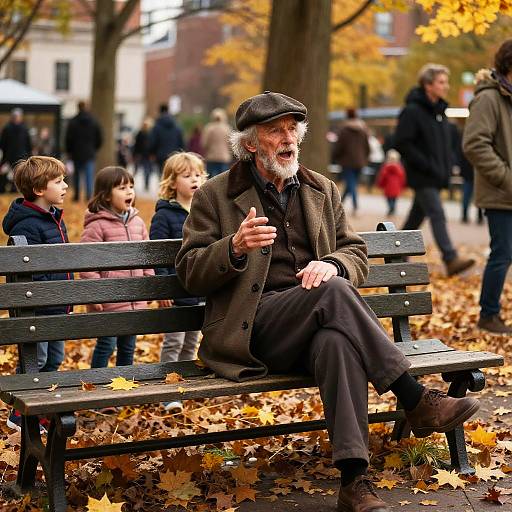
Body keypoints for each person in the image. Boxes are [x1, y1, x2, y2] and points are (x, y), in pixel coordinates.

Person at [176, 91, 480, 512]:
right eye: (274, 131)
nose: (288, 139)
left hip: (314, 322)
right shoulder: (215, 194)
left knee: (337, 341)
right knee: (332, 293)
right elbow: (189, 271)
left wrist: (334, 265)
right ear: (250, 144)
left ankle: (354, 483)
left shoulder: (321, 189)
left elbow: (354, 252)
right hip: (254, 329)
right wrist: (234, 247)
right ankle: (413, 398)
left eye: (292, 130)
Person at [2, 156, 72, 430]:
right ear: (40, 189)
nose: (65, 186)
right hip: (36, 309)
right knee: (37, 359)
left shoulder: (54, 218)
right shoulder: (27, 225)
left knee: (54, 358)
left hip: (57, 305)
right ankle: (20, 412)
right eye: (59, 181)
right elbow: (28, 273)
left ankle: (41, 405)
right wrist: (52, 292)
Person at [394, 64, 475, 277]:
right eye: (441, 82)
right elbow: (402, 142)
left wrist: (448, 166)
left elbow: (445, 146)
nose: (446, 86)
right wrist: (426, 165)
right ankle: (450, 258)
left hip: (436, 175)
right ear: (427, 85)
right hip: (422, 175)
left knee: (415, 218)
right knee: (437, 213)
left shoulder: (439, 113)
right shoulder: (412, 111)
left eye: (445, 82)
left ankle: (397, 252)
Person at [79, 166, 154, 367]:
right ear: (105, 196)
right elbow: (87, 265)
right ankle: (96, 383)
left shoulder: (138, 223)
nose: (129, 191)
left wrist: (149, 285)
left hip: (134, 298)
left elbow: (148, 256)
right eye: (122, 188)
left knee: (128, 346)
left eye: (131, 186)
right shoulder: (97, 225)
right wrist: (97, 294)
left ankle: (124, 383)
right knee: (107, 344)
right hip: (109, 301)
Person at [149, 152, 207, 412]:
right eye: (187, 176)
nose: (194, 179)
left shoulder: (204, 209)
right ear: (173, 182)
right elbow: (156, 255)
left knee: (192, 341)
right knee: (174, 341)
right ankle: (168, 391)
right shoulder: (165, 215)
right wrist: (162, 286)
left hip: (199, 288)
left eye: (197, 174)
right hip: (176, 289)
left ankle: (183, 386)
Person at [463, 40, 512, 334]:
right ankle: (488, 314)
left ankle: (493, 312)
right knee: (503, 253)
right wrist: (507, 178)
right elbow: (474, 144)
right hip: (500, 193)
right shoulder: (489, 98)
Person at [332, 108, 369, 214]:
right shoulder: (363, 129)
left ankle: (355, 205)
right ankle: (340, 204)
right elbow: (367, 146)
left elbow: (339, 146)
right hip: (360, 161)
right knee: (351, 184)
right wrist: (365, 158)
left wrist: (335, 157)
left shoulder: (344, 130)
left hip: (347, 161)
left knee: (351, 184)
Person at [65, 101, 103, 202]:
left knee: (77, 175)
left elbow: (68, 138)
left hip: (76, 153)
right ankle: (88, 196)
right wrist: (95, 148)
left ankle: (77, 196)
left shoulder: (73, 122)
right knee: (89, 176)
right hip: (90, 153)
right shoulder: (94, 121)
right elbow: (100, 138)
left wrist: (69, 151)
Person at [0, 108, 32, 193]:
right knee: (7, 173)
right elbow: (3, 143)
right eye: (16, 116)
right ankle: (4, 189)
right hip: (9, 156)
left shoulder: (24, 129)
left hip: (22, 155)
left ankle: (15, 188)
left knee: (19, 173)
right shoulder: (7, 128)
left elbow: (28, 143)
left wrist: (28, 154)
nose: (17, 118)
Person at [149, 104, 185, 173]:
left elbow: (153, 141)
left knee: (162, 175)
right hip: (175, 154)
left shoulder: (157, 126)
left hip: (160, 156)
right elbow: (181, 141)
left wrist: (151, 153)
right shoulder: (176, 125)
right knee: (173, 174)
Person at [201, 108, 232, 178]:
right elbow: (230, 144)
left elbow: (204, 143)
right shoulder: (227, 128)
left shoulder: (208, 128)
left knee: (210, 179)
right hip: (224, 158)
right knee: (223, 179)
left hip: (211, 157)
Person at [376, 149, 406, 216]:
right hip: (397, 188)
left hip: (388, 188)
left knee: (389, 199)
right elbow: (402, 178)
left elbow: (382, 177)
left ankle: (391, 208)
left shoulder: (385, 168)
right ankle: (392, 208)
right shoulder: (400, 168)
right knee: (394, 199)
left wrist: (380, 184)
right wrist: (403, 186)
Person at [133, 119, 154, 191]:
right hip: (141, 155)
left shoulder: (151, 134)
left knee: (147, 171)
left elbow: (153, 145)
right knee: (137, 170)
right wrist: (135, 154)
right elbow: (136, 145)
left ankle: (146, 184)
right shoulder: (140, 133)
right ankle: (131, 184)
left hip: (147, 155)